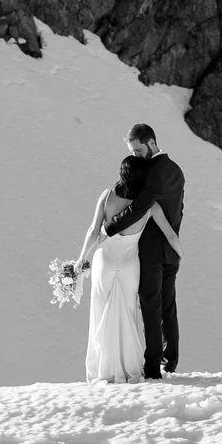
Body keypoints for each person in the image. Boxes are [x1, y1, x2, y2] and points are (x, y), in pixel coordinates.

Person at [68, 153, 166, 383]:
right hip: (130, 264)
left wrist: (80, 260)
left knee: (100, 313)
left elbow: (93, 231)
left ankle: (102, 371)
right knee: (127, 314)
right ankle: (128, 367)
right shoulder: (147, 204)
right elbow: (168, 231)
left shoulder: (107, 196)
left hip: (104, 260)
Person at [105, 123, 184, 378]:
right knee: (167, 305)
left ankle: (152, 368)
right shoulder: (176, 170)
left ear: (151, 142)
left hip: (151, 251)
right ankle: (170, 360)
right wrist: (174, 242)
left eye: (138, 151)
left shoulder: (153, 171)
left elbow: (139, 207)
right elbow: (178, 210)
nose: (136, 157)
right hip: (171, 248)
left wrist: (109, 228)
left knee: (150, 306)